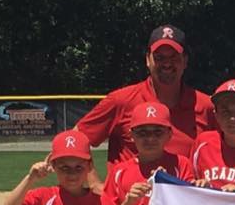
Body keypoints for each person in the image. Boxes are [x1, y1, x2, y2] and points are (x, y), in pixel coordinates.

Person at [76, 25, 214, 187]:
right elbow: (76, 138)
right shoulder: (122, 100)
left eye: (174, 57)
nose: (167, 64)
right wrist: (95, 185)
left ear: (185, 61)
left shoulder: (205, 106)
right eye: (159, 57)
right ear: (148, 60)